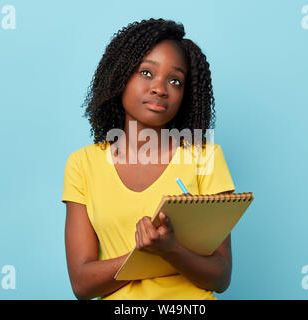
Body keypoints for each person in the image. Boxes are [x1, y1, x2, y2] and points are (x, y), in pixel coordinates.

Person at [61, 18, 236, 300]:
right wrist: (148, 254)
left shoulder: (205, 156)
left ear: (185, 95)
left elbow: (221, 275)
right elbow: (82, 283)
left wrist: (172, 249)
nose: (160, 88)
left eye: (175, 80)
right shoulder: (83, 164)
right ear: (119, 76)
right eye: (146, 73)